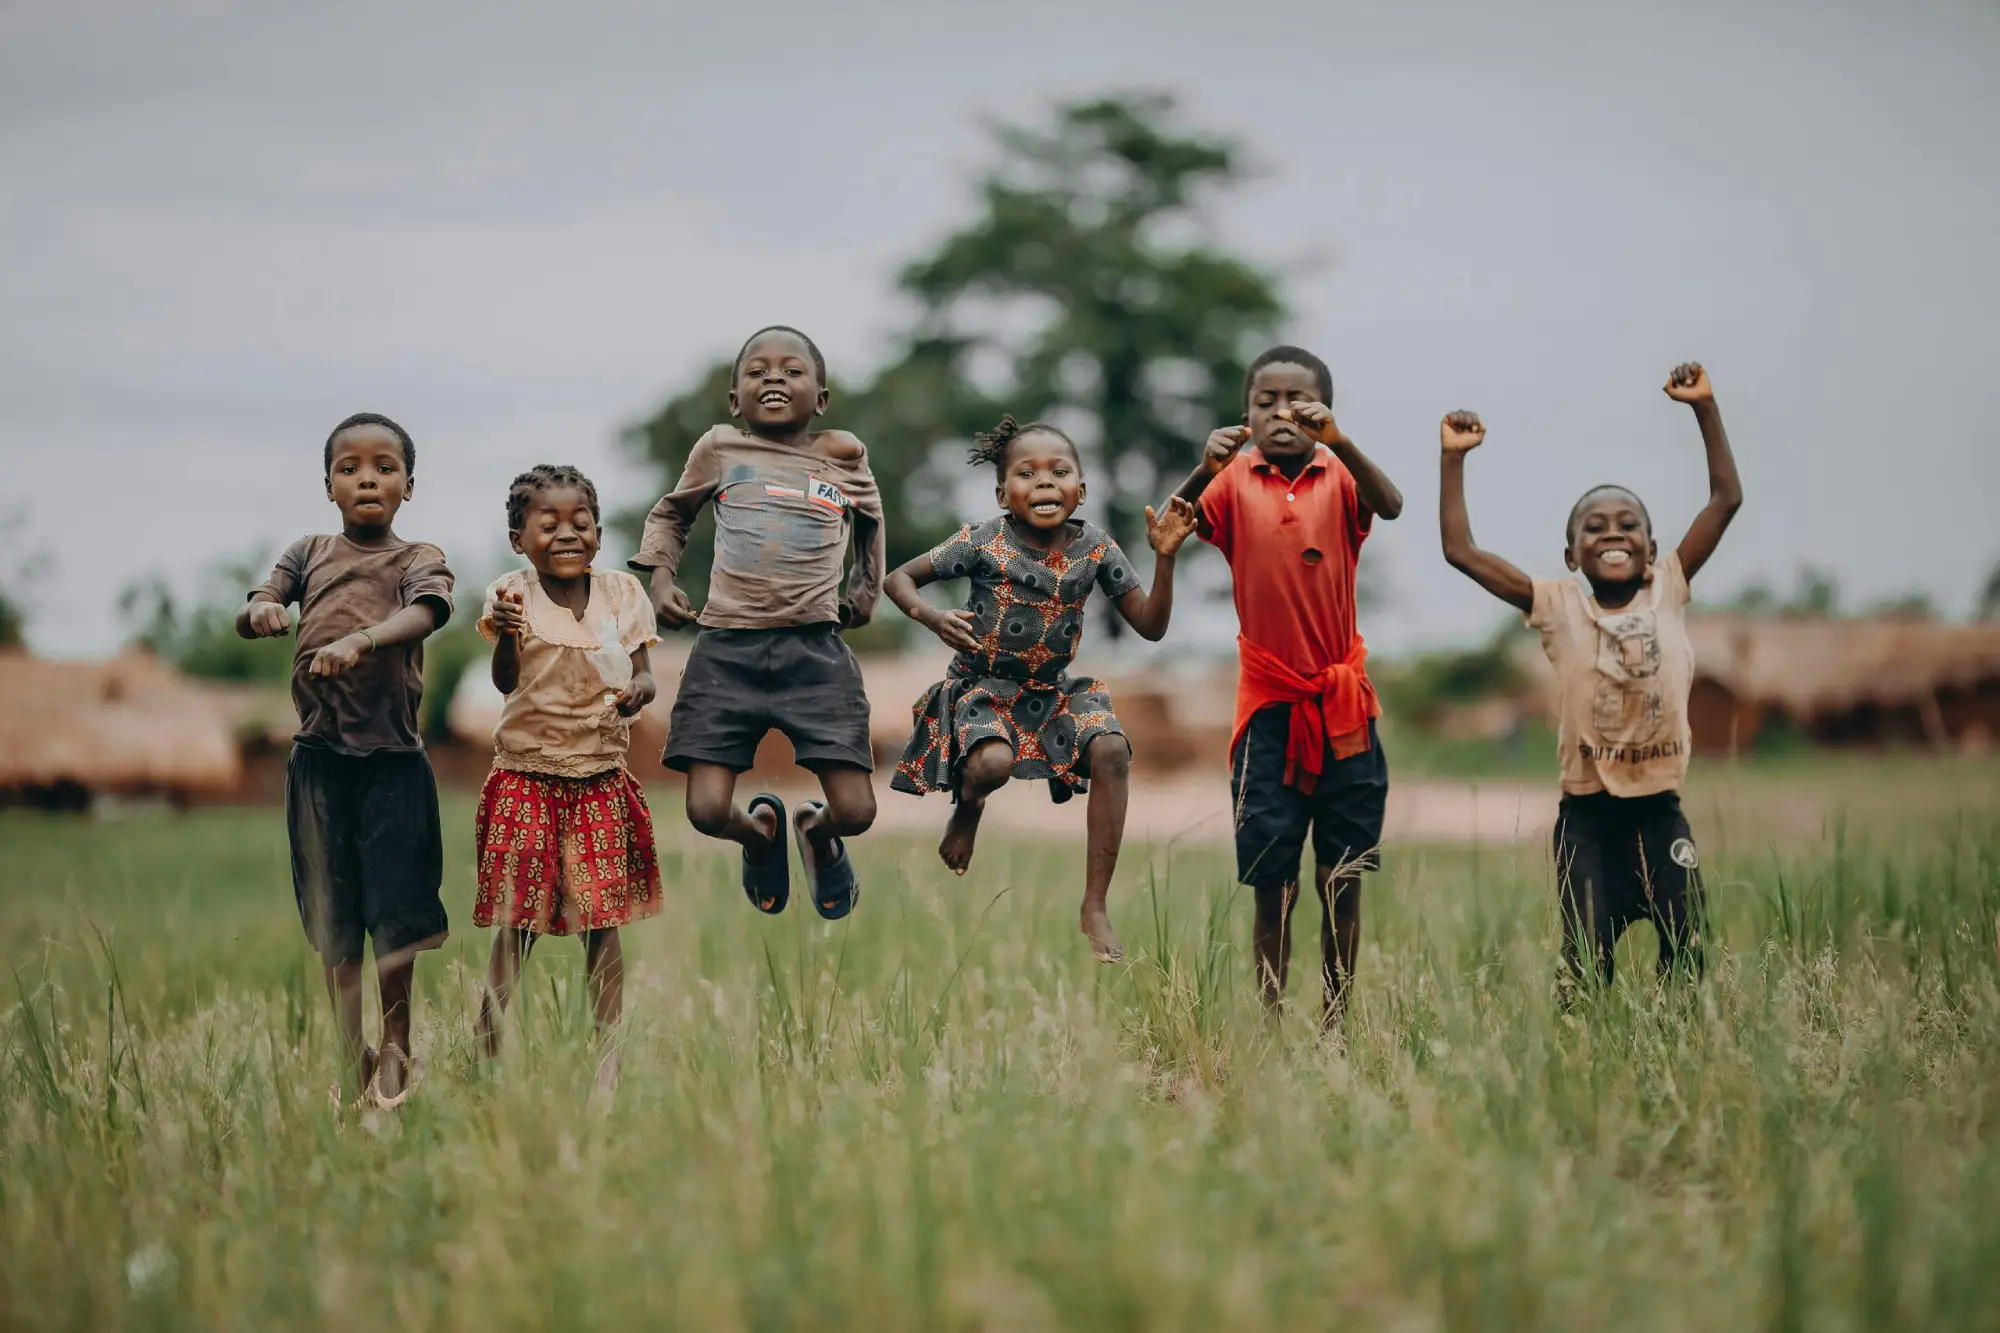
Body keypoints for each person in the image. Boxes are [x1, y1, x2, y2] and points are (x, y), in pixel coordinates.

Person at [1437, 362, 1742, 996]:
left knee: (1688, 948)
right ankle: (1585, 1059)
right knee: (1585, 962)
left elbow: (1725, 500)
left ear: (1652, 548)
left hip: (1660, 815)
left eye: (1627, 525)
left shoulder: (1670, 586)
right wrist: (1454, 460)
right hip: (1586, 821)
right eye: (1594, 527)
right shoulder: (1555, 604)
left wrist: (1704, 409)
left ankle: (1674, 1059)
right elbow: (1461, 553)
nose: (1612, 534)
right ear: (1571, 552)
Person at [886, 416, 1198, 962]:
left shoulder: (1097, 548)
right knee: (990, 765)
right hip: (981, 688)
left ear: (1083, 489)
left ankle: (1095, 904)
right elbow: (899, 579)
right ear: (1003, 492)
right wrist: (931, 618)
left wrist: (1165, 557)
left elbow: (1150, 625)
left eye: (1060, 471)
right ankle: (969, 807)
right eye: (1027, 474)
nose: (1045, 482)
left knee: (1111, 748)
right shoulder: (983, 540)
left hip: (1051, 693)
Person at [1170, 345, 1404, 1029]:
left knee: (1343, 875)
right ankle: (1271, 1020)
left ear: (1323, 410)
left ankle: (1336, 1020)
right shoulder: (1234, 480)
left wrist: (1343, 442)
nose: (1281, 413)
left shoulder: (1341, 475)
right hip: (1268, 711)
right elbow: (1174, 523)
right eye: (1264, 401)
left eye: (1297, 402)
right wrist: (1204, 465)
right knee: (1272, 881)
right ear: (1245, 412)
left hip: (1343, 708)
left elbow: (1390, 504)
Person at [237, 412, 454, 1109]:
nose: (367, 477)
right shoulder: (308, 552)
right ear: (328, 483)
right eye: (350, 467)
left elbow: (426, 613)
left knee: (395, 912)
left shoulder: (418, 556)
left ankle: (395, 1051)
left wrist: (362, 640)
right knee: (334, 916)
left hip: (392, 760)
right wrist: (265, 610)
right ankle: (347, 1049)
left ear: (408, 487)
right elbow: (258, 601)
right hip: (318, 763)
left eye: (384, 467)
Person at [630, 326, 882, 920]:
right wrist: (661, 579)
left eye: (793, 370)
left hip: (815, 652)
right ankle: (760, 836)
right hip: (726, 652)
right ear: (733, 400)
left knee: (857, 812)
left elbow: (870, 517)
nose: (773, 378)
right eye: (757, 371)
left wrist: (866, 584)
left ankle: (817, 836)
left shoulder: (842, 452)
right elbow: (670, 514)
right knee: (708, 811)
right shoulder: (719, 449)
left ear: (821, 396)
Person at [472, 465, 662, 1087]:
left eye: (580, 522)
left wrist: (637, 693)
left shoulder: (622, 595)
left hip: (600, 778)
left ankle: (608, 1060)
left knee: (600, 924)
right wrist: (504, 635)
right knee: (517, 923)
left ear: (600, 533)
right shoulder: (511, 595)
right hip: (527, 776)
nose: (565, 533)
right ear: (517, 539)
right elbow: (506, 681)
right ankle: (488, 1053)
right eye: (546, 523)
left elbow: (646, 676)